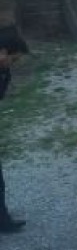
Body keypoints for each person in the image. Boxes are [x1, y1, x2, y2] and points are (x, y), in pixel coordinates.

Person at [0, 24, 28, 233]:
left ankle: (3, 221)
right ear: (3, 52)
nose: (14, 63)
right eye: (14, 58)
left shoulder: (4, 71)